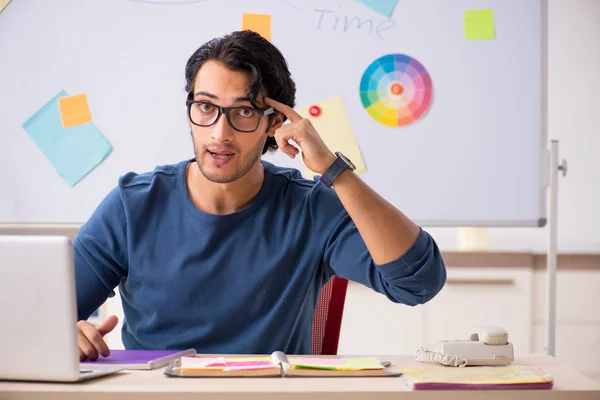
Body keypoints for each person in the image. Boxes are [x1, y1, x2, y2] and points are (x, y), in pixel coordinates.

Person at [74, 30, 447, 361]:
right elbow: (43, 319)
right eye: (206, 107)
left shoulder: (311, 209)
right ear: (190, 112)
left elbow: (418, 283)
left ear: (274, 123)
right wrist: (67, 334)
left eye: (244, 112)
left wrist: (335, 172)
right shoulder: (133, 205)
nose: (220, 133)